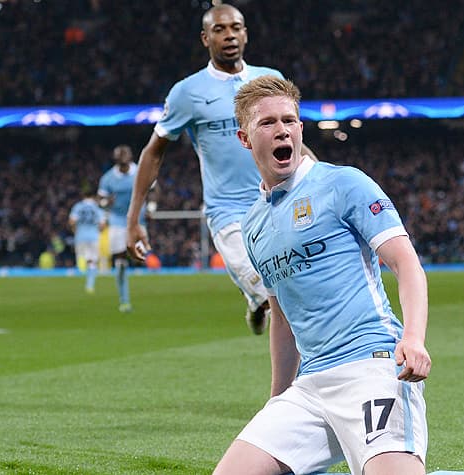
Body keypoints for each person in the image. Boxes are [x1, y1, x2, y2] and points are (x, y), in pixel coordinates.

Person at [211, 75, 430, 475]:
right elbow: (281, 316)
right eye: (268, 123)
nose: (282, 131)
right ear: (245, 138)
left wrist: (413, 337)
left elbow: (405, 263)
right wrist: (278, 399)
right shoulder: (253, 225)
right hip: (310, 387)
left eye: (289, 121)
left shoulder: (342, 183)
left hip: (373, 367)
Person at [126, 3, 318, 335]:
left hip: (280, 202)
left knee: (294, 285)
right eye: (220, 29)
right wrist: (133, 219)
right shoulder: (188, 93)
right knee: (280, 293)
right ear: (205, 38)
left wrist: (322, 178)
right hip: (229, 214)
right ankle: (298, 371)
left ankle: (257, 303)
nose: (229, 35)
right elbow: (153, 152)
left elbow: (293, 140)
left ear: (245, 33)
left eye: (236, 27)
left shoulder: (269, 80)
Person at [99, 145, 150, 313]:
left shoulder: (140, 171)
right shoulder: (108, 178)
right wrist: (107, 203)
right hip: (118, 220)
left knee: (140, 257)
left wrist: (152, 207)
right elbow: (101, 200)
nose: (122, 157)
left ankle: (142, 293)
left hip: (137, 219)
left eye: (125, 154)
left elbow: (155, 189)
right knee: (120, 259)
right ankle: (124, 299)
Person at [69, 188, 106, 294]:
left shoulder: (78, 206)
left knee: (81, 257)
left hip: (80, 236)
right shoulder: (97, 208)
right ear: (93, 197)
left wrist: (76, 231)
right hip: (93, 236)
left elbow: (71, 221)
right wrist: (96, 230)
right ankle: (90, 284)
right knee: (93, 261)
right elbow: (102, 225)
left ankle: (81, 265)